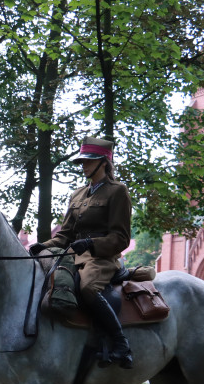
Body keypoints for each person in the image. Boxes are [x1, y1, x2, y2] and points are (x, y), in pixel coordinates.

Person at [35, 136, 134, 369]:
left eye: (89, 161)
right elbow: (65, 234)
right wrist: (44, 246)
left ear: (104, 162)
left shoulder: (117, 191)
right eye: (82, 161)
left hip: (102, 258)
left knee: (87, 288)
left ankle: (121, 343)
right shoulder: (77, 194)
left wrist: (91, 244)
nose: (84, 166)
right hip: (72, 255)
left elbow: (121, 238)